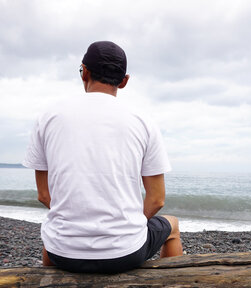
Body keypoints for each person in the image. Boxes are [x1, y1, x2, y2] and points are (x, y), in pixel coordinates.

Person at [23, 41, 182, 273]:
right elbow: (157, 199)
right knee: (173, 226)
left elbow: (44, 195)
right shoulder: (143, 121)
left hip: (62, 253)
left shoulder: (48, 116)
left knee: (54, 237)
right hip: (125, 253)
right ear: (124, 81)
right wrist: (126, 225)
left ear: (84, 72)